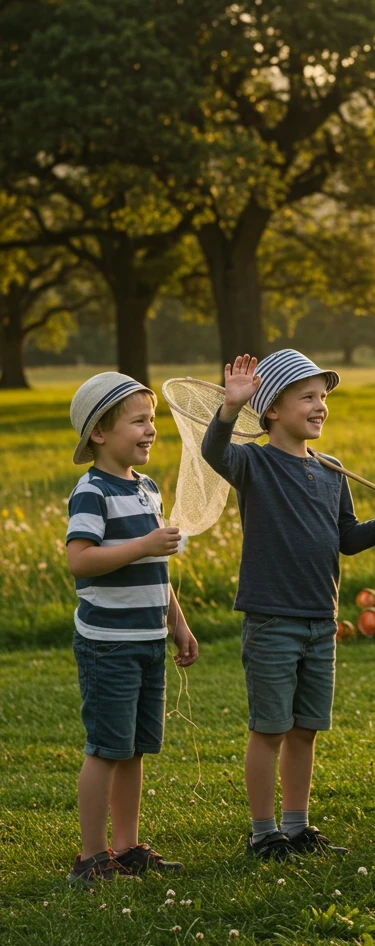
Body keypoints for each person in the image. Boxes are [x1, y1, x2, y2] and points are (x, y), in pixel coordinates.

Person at [202, 350, 375, 860]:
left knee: (305, 730)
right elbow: (214, 451)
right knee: (269, 728)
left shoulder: (330, 468)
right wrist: (231, 408)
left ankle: (296, 827)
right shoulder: (252, 461)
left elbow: (344, 536)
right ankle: (263, 832)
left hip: (322, 618)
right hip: (273, 617)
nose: (320, 406)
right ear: (272, 409)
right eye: (307, 397)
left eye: (323, 397)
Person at [66, 372, 199, 885]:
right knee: (106, 747)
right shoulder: (91, 492)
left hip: (148, 640)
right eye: (139, 421)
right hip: (108, 647)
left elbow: (156, 573)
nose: (151, 430)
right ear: (100, 433)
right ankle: (91, 856)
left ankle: (126, 846)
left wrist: (178, 624)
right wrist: (143, 545)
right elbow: (81, 561)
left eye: (153, 421)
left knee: (135, 748)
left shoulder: (147, 488)